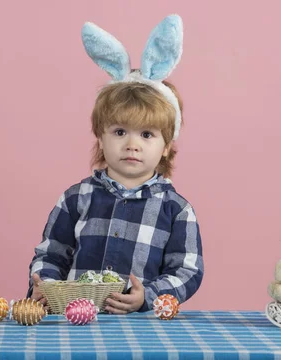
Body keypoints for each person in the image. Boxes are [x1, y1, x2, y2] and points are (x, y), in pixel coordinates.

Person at [27, 15, 203, 314]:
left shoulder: (175, 209)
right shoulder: (76, 198)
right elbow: (51, 253)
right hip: (71, 324)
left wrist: (147, 296)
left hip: (140, 328)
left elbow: (187, 270)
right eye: (119, 132)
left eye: (147, 134)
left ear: (166, 147)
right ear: (100, 137)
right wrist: (44, 285)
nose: (132, 144)